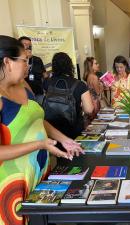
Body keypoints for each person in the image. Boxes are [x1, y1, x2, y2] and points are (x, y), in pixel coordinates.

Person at [0, 35, 83, 225]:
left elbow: (37, 120)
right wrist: (40, 144)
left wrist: (64, 139)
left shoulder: (23, 84)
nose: (28, 65)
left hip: (38, 173)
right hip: (12, 182)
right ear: (7, 62)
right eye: (24, 60)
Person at [44, 52, 94, 139]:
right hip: (74, 132)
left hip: (52, 131)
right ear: (70, 65)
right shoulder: (79, 85)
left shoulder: (47, 82)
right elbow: (89, 110)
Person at [18, 36, 47, 103]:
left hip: (39, 94)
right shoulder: (17, 61)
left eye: (30, 45)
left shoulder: (38, 60)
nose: (28, 47)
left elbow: (45, 75)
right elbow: (20, 77)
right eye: (25, 44)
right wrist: (26, 58)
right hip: (24, 95)